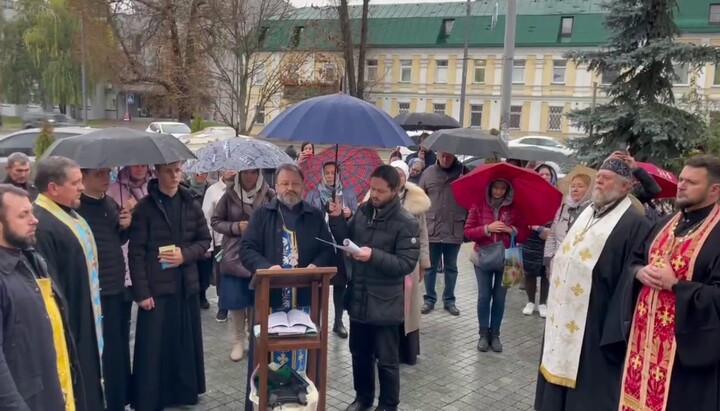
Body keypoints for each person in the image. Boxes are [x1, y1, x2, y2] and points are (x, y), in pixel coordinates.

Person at [534, 158, 651, 411]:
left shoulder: (634, 223)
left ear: (624, 187)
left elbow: (632, 271)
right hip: (563, 312)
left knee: (588, 384)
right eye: (599, 176)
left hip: (597, 317)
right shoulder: (587, 213)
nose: (599, 180)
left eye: (606, 178)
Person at [619, 155, 720, 411]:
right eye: (681, 179)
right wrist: (639, 272)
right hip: (642, 347)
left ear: (714, 189)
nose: (681, 185)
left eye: (691, 182)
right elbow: (634, 261)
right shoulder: (665, 224)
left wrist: (676, 286)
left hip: (688, 355)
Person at [240, 163, 334, 411]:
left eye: (295, 183)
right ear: (276, 186)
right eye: (284, 183)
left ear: (303, 187)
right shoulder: (262, 214)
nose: (289, 188)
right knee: (266, 357)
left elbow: (328, 250)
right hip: (269, 300)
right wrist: (265, 267)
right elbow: (246, 249)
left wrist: (316, 265)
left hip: (306, 300)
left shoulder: (314, 216)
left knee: (305, 357)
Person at [328, 164, 420, 411]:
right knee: (359, 354)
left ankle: (388, 404)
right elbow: (347, 239)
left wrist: (374, 256)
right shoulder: (362, 211)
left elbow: (406, 263)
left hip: (385, 302)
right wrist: (337, 219)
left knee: (387, 360)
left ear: (394, 190)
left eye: (380, 190)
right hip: (358, 297)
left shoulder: (406, 222)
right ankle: (363, 398)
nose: (375, 194)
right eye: (372, 188)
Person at [127, 161, 211, 411]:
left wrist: (185, 255)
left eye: (178, 170)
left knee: (183, 342)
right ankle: (152, 397)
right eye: (168, 171)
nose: (175, 176)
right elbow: (136, 252)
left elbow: (204, 240)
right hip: (156, 288)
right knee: (154, 347)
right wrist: (141, 292)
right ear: (158, 173)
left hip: (185, 286)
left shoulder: (190, 202)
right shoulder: (145, 208)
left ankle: (183, 392)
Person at [32, 156, 104, 411]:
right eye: (75, 183)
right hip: (72, 327)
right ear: (53, 188)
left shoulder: (68, 213)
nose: (82, 187)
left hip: (85, 320)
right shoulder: (41, 225)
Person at [0, 184, 68, 410]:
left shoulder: (30, 259)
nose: (34, 219)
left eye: (31, 211)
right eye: (23, 215)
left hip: (51, 392)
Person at [76, 168, 132, 411]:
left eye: (108, 173)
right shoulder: (79, 208)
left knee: (119, 346)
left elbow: (116, 239)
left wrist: (125, 225)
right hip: (98, 291)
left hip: (118, 286)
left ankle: (120, 398)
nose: (106, 178)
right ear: (84, 177)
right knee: (105, 350)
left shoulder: (109, 202)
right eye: (99, 174)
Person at [211, 169, 274, 362]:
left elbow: (276, 219)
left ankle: (253, 338)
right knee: (236, 302)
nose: (250, 176)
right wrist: (235, 227)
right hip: (235, 255)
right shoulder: (229, 195)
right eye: (246, 172)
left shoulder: (269, 194)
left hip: (260, 254)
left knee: (258, 301)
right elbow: (215, 221)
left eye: (254, 172)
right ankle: (238, 341)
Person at [464, 179, 528, 352]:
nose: (498, 192)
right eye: (495, 187)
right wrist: (487, 228)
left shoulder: (515, 207)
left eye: (502, 188)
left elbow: (524, 233)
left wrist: (511, 230)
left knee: (500, 298)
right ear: (489, 187)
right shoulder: (478, 204)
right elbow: (468, 231)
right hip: (482, 257)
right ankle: (483, 334)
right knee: (484, 297)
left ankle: (496, 335)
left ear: (507, 190)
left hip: (507, 259)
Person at [305, 161, 358, 338]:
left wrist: (349, 214)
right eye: (326, 172)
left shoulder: (348, 193)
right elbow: (307, 217)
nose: (329, 176)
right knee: (319, 284)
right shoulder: (314, 194)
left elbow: (357, 219)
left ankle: (338, 322)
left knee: (340, 283)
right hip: (321, 244)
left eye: (333, 172)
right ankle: (316, 321)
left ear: (338, 174)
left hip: (341, 244)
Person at [390, 161, 430, 365]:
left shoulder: (416, 201)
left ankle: (407, 352)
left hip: (409, 262)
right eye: (394, 174)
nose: (397, 179)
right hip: (387, 262)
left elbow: (423, 234)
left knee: (408, 307)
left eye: (401, 174)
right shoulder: (376, 196)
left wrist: (423, 262)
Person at [419, 152, 468, 316]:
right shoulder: (428, 172)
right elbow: (420, 196)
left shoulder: (464, 172)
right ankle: (429, 299)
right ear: (438, 155)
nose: (445, 160)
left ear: (454, 155)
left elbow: (471, 199)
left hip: (454, 227)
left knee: (451, 267)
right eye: (442, 156)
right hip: (432, 226)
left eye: (448, 156)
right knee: (430, 266)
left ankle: (449, 301)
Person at [521, 164, 557, 317]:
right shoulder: (528, 194)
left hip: (551, 237)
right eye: (540, 174)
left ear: (552, 176)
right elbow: (522, 216)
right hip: (531, 236)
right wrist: (538, 228)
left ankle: (543, 303)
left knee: (546, 272)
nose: (544, 177)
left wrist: (551, 231)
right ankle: (530, 301)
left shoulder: (558, 195)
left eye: (547, 174)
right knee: (530, 271)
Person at [202, 169, 238, 322]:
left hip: (241, 240)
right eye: (228, 166)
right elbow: (207, 218)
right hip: (220, 240)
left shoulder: (243, 189)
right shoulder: (213, 190)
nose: (231, 170)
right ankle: (223, 306)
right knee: (222, 273)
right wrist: (208, 244)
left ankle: (239, 305)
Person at [544, 173, 593, 276]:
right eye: (573, 186)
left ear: (589, 189)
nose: (575, 189)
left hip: (577, 267)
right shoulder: (563, 208)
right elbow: (552, 235)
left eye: (580, 186)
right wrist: (548, 259)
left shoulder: (593, 211)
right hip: (557, 262)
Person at [186, 172, 213, 309]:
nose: (200, 176)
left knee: (205, 267)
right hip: (189, 231)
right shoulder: (185, 189)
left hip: (205, 230)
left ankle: (202, 294)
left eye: (203, 173)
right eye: (197, 173)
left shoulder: (210, 190)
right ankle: (193, 295)